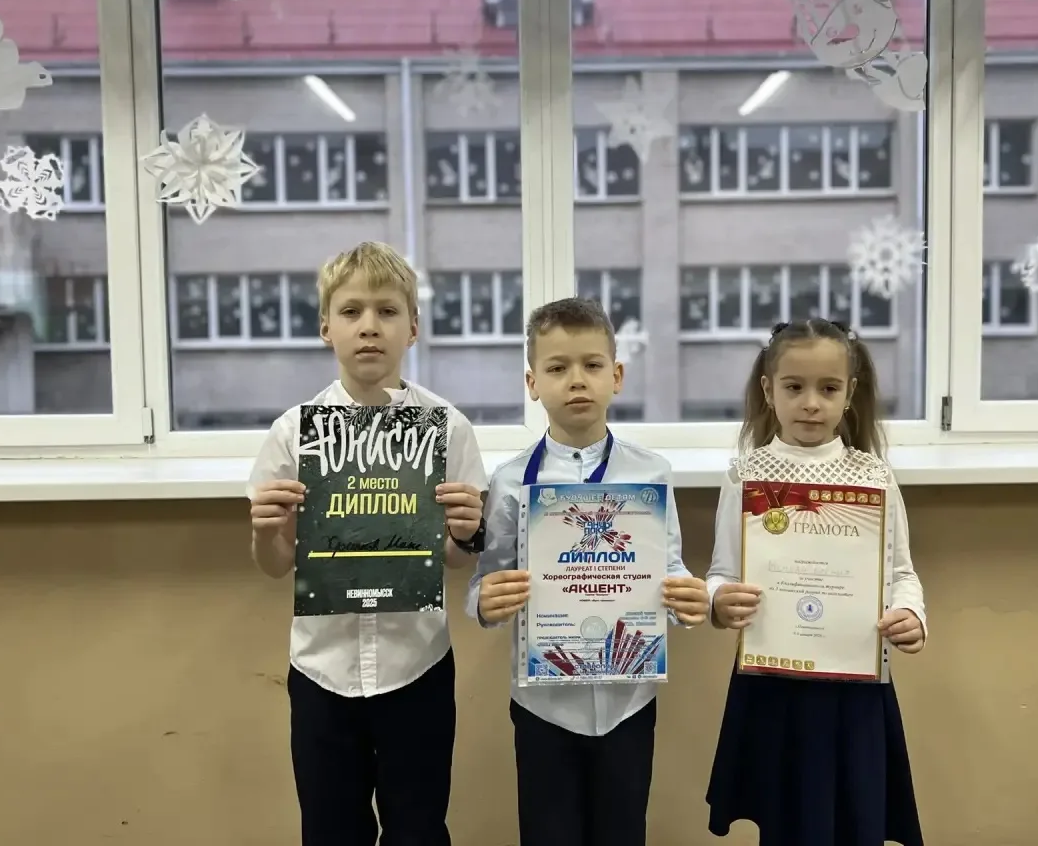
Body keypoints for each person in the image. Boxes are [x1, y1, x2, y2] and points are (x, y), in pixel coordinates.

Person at [247, 241, 488, 846]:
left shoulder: (447, 429)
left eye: (387, 311)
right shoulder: (294, 434)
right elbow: (276, 566)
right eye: (351, 311)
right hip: (322, 670)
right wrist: (267, 532)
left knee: (419, 830)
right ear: (326, 327)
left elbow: (455, 558)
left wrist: (465, 534)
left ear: (414, 327)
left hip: (417, 665)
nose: (369, 327)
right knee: (331, 830)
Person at [467, 296, 711, 846]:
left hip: (629, 704)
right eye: (557, 368)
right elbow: (486, 578)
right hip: (542, 706)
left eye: (592, 365)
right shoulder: (511, 481)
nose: (577, 380)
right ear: (532, 383)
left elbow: (670, 568)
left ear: (616, 376)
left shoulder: (651, 475)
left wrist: (688, 601)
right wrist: (483, 602)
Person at [705, 317, 926, 846]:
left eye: (828, 389)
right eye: (794, 387)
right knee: (785, 821)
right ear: (768, 390)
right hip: (774, 684)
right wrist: (718, 602)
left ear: (850, 392)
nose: (810, 403)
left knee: (856, 821)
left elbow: (901, 572)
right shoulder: (746, 476)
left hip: (854, 685)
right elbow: (721, 572)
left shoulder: (873, 477)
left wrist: (911, 615)